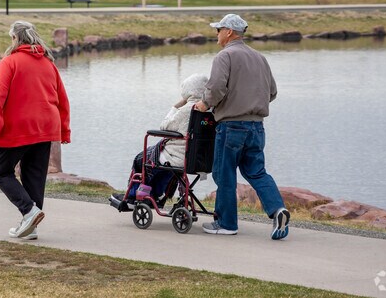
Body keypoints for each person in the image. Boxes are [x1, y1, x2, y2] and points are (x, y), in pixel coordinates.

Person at [194, 14, 290, 240]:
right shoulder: (259, 57)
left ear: (228, 32)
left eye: (218, 30)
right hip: (257, 126)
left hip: (231, 126)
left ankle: (226, 224)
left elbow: (216, 88)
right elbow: (272, 92)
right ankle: (278, 209)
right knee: (256, 172)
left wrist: (204, 104)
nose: (216, 34)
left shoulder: (224, 56)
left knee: (223, 173)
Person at [0, 20, 71, 240]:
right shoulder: (48, 63)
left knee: (1, 172)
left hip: (18, 127)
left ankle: (29, 212)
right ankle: (30, 225)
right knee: (34, 176)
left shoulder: (9, 62)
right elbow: (62, 99)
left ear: (15, 38)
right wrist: (64, 130)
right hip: (45, 127)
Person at [112, 73, 209, 206]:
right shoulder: (210, 110)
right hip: (200, 160)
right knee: (165, 168)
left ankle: (134, 196)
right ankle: (155, 194)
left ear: (188, 91)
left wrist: (175, 107)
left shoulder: (188, 109)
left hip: (177, 156)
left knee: (141, 160)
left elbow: (165, 126)